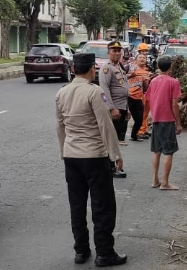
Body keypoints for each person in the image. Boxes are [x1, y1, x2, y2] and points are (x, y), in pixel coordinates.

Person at [55, 53, 127, 267]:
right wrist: (115, 155)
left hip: (71, 156)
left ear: (74, 69)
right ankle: (104, 253)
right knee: (103, 205)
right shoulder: (95, 92)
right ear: (91, 69)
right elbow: (105, 126)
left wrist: (63, 152)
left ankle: (81, 250)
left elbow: (60, 126)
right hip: (94, 156)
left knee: (76, 205)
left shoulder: (61, 93)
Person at [145, 56, 182, 191]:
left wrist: (150, 116)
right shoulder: (173, 82)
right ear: (170, 67)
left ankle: (155, 179)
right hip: (167, 120)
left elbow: (148, 99)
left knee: (157, 150)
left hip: (156, 119)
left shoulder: (153, 81)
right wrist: (178, 123)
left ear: (159, 67)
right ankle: (165, 182)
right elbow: (174, 104)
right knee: (168, 151)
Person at [99, 41, 129, 178]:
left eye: (119, 51)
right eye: (114, 51)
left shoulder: (119, 67)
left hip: (122, 107)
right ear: (108, 53)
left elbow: (124, 89)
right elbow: (104, 90)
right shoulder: (107, 68)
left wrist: (126, 109)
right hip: (114, 109)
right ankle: (110, 167)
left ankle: (114, 165)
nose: (117, 53)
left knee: (117, 139)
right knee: (111, 139)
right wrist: (111, 108)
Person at [127, 54, 151, 142]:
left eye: (144, 57)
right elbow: (121, 79)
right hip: (130, 96)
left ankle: (139, 132)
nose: (142, 59)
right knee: (137, 118)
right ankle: (136, 134)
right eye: (140, 57)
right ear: (136, 60)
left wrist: (147, 81)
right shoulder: (131, 68)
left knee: (142, 117)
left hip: (140, 97)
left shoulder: (146, 71)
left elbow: (145, 88)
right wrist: (130, 75)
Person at [136, 43, 153, 139]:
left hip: (148, 92)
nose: (144, 54)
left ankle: (144, 129)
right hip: (139, 93)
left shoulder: (148, 64)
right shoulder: (135, 66)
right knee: (141, 113)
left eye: (146, 51)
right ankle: (140, 131)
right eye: (143, 51)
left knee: (146, 112)